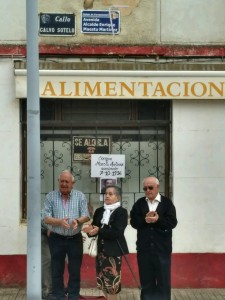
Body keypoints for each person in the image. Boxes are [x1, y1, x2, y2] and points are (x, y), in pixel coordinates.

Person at [43, 170, 90, 300]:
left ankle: (73, 296)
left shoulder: (80, 196)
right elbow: (46, 218)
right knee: (56, 270)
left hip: (75, 239)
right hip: (56, 239)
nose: (64, 184)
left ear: (72, 183)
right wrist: (59, 222)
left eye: (67, 181)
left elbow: (86, 215)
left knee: (74, 271)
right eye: (62, 181)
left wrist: (78, 221)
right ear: (58, 182)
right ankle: (59, 296)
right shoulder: (50, 196)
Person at [130, 176, 177, 300]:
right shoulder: (139, 203)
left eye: (150, 187)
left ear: (157, 187)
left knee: (163, 282)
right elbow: (134, 222)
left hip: (162, 250)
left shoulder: (167, 203)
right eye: (145, 188)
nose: (148, 190)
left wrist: (158, 219)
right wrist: (145, 220)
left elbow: (172, 222)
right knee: (146, 282)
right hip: (144, 249)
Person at [82, 185, 129, 300]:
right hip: (100, 252)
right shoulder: (99, 211)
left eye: (110, 194)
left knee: (112, 283)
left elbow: (117, 232)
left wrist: (99, 230)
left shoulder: (121, 212)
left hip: (113, 251)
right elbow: (96, 229)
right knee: (102, 281)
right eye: (106, 194)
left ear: (117, 197)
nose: (107, 196)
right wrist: (90, 231)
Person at [41, 217, 52, 300]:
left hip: (56, 235)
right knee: (47, 260)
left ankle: (52, 289)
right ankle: (46, 291)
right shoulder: (45, 205)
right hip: (43, 234)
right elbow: (42, 218)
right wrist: (49, 227)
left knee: (55, 261)